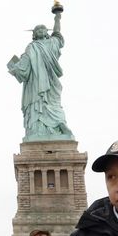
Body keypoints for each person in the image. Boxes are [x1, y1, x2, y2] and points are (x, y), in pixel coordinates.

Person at [7, 8, 73, 142]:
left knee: (53, 104)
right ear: (34, 35)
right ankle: (37, 130)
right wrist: (15, 68)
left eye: (43, 29)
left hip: (51, 81)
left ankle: (60, 125)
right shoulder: (31, 47)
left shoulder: (52, 43)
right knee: (39, 105)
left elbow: (57, 33)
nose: (41, 31)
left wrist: (57, 18)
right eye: (37, 30)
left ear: (46, 33)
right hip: (35, 82)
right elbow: (23, 66)